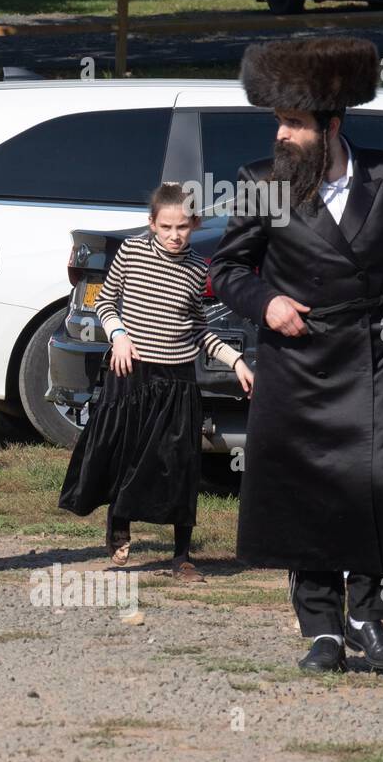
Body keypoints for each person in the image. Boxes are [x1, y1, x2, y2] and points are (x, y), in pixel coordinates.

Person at [210, 36, 383, 673]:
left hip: (372, 358)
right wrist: (267, 303)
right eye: (279, 120)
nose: (283, 134)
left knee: (372, 487)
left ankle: (369, 618)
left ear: (331, 126)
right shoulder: (262, 181)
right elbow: (226, 270)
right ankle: (322, 630)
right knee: (302, 490)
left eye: (296, 123)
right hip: (295, 363)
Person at [58, 183, 255, 580]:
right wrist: (118, 336)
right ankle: (119, 523)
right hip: (131, 373)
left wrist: (236, 361)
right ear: (152, 223)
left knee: (180, 463)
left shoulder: (198, 269)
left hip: (178, 378)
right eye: (165, 226)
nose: (174, 235)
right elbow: (105, 302)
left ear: (195, 224)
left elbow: (199, 329)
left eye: (182, 226)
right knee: (125, 453)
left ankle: (182, 555)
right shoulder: (130, 252)